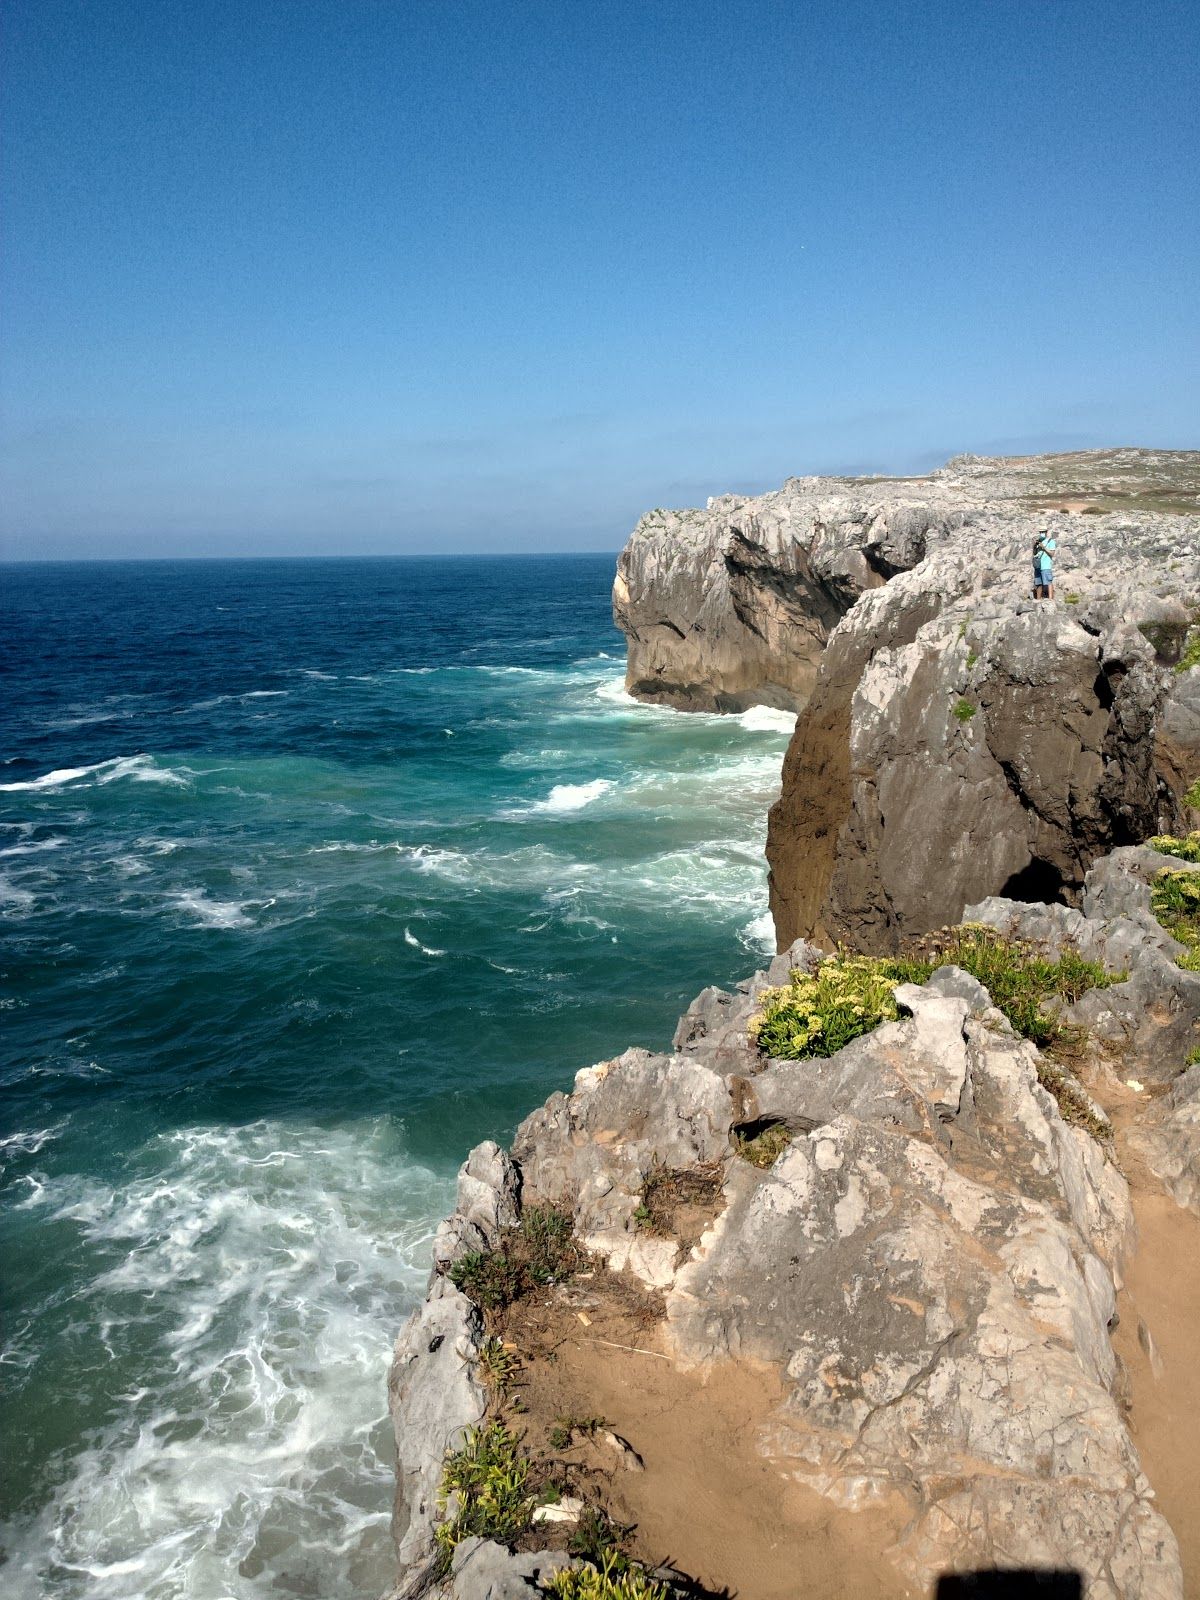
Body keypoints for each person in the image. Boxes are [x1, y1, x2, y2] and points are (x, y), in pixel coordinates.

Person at [1032, 527, 1057, 600]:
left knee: (1048, 582)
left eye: (1043, 532)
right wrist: (1034, 546)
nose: (1041, 533)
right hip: (1038, 565)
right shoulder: (1039, 541)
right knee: (1038, 582)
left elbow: (1052, 553)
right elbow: (1034, 553)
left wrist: (1043, 547)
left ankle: (1050, 599)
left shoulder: (1050, 541)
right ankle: (1038, 599)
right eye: (1040, 532)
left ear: (1046, 532)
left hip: (1046, 565)